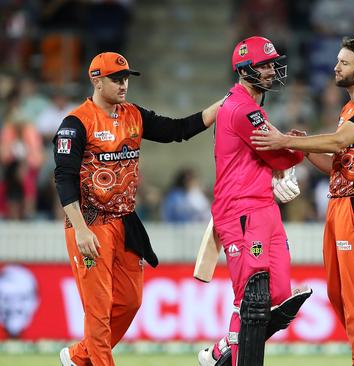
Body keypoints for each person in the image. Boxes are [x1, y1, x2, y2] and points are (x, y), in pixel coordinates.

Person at [53, 51, 223, 366]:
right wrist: (80, 229)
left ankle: (78, 357)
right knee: (99, 310)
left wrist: (221, 106)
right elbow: (63, 178)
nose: (123, 85)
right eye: (116, 79)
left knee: (130, 302)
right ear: (96, 80)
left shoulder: (133, 114)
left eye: (126, 78)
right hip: (91, 224)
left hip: (126, 223)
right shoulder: (75, 123)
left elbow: (177, 130)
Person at [251, 37, 354, 366]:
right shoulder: (350, 108)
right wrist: (302, 149)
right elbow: (337, 162)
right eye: (337, 60)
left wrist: (283, 139)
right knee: (339, 295)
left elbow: (340, 141)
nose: (336, 66)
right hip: (340, 204)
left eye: (344, 62)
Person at [198, 36, 311, 366]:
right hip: (240, 209)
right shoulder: (242, 108)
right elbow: (279, 155)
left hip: (264, 206)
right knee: (251, 296)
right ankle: (231, 356)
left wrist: (283, 159)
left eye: (272, 63)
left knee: (277, 295)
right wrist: (302, 147)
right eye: (264, 65)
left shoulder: (252, 108)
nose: (272, 70)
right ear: (245, 70)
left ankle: (222, 350)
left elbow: (272, 156)